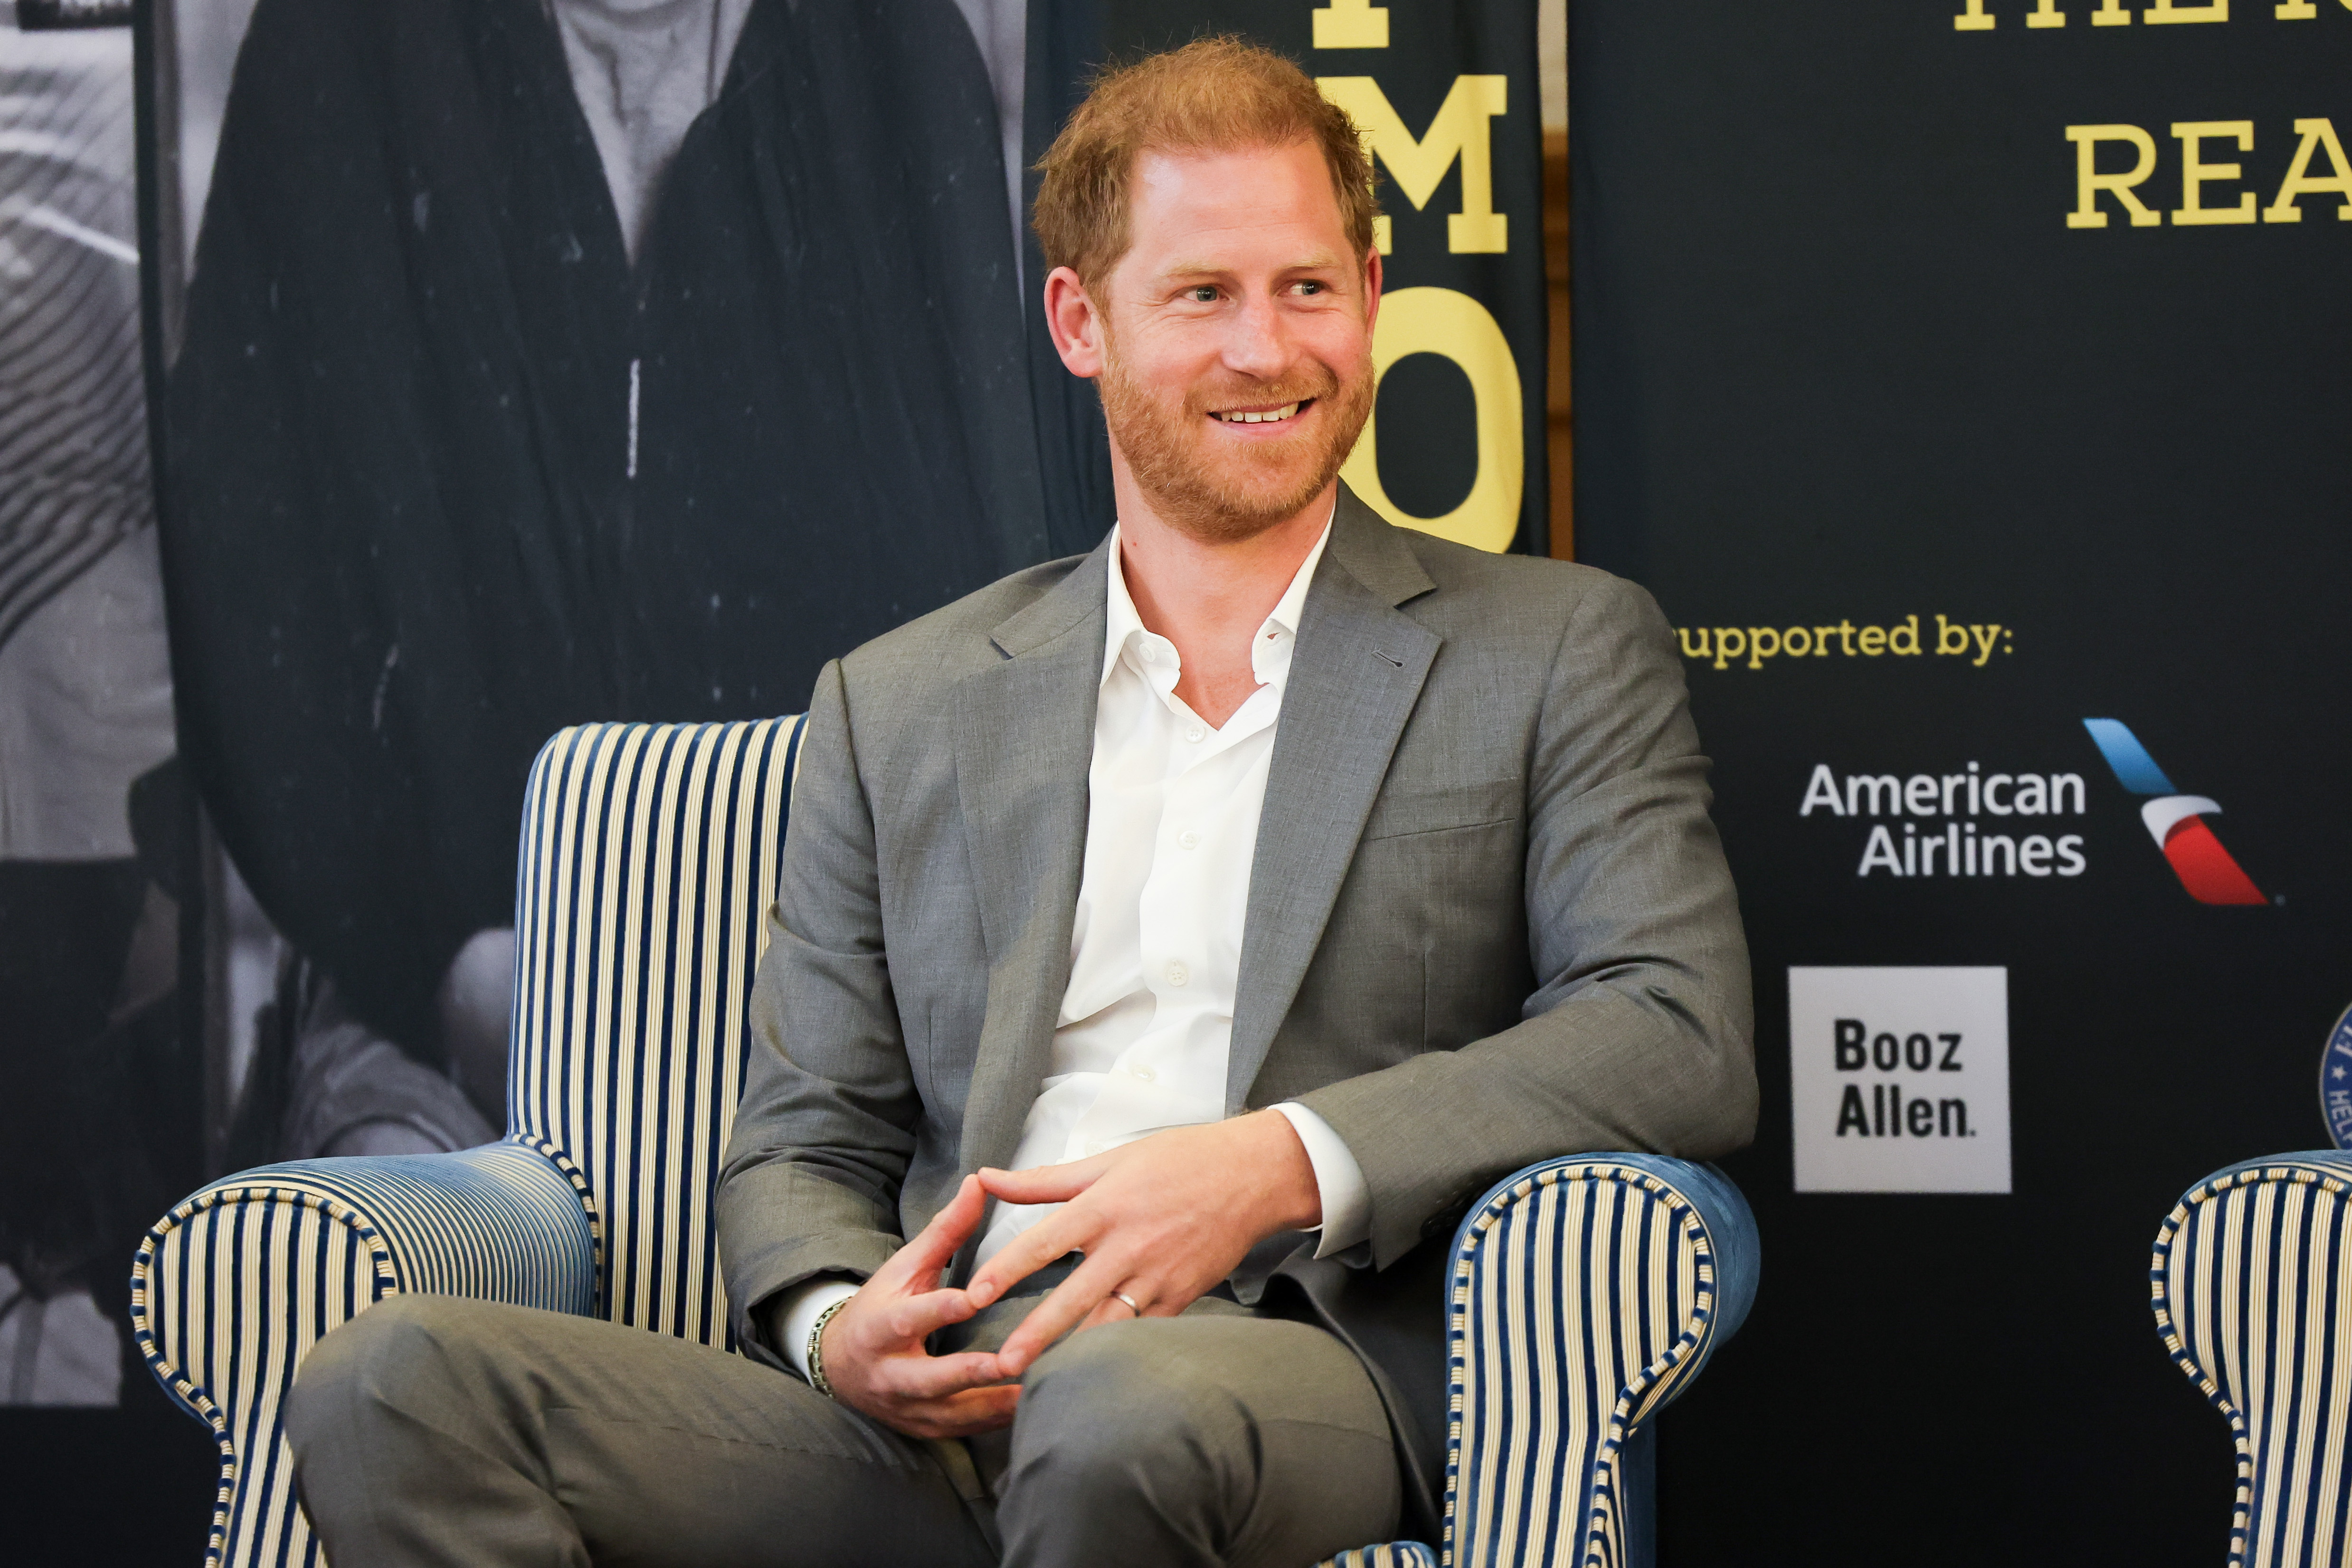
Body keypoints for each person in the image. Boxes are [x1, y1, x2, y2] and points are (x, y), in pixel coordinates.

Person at [283, 38, 1756, 1568]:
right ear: (1080, 322)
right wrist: (838, 1323)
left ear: (1372, 300)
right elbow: (804, 1136)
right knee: (391, 1388)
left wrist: (1272, 1165)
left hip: (1279, 1370)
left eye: (1308, 288)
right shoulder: (900, 699)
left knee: (1117, 1406)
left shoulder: (1556, 646)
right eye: (1202, 296)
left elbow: (1675, 1026)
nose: (1269, 349)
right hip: (935, 1406)